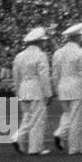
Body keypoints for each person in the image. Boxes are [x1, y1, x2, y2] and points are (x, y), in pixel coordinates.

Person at [12, 27, 52, 155]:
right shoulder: (40, 55)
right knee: (37, 119)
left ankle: (19, 137)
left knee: (27, 117)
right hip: (36, 89)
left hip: (24, 88)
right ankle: (35, 148)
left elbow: (16, 76)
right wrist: (48, 93)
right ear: (39, 42)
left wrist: (18, 92)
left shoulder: (19, 56)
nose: (44, 43)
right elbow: (44, 76)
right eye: (42, 41)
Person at [51, 22, 82, 153]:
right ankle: (74, 147)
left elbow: (55, 74)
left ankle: (61, 133)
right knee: (77, 119)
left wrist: (57, 89)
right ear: (77, 37)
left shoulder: (58, 53)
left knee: (67, 114)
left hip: (63, 87)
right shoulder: (80, 52)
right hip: (76, 87)